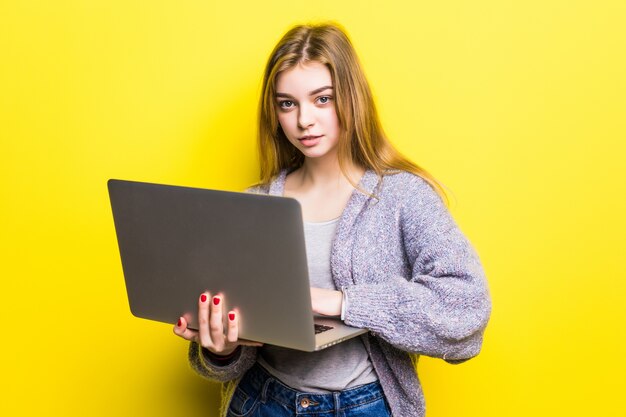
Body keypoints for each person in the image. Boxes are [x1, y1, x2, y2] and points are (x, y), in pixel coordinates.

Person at [173, 22, 491, 417]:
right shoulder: (252, 205)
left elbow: (466, 309)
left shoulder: (401, 196)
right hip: (261, 402)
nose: (304, 119)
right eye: (287, 103)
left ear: (351, 99)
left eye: (322, 99)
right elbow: (231, 360)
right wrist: (220, 349)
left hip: (365, 405)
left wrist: (340, 302)